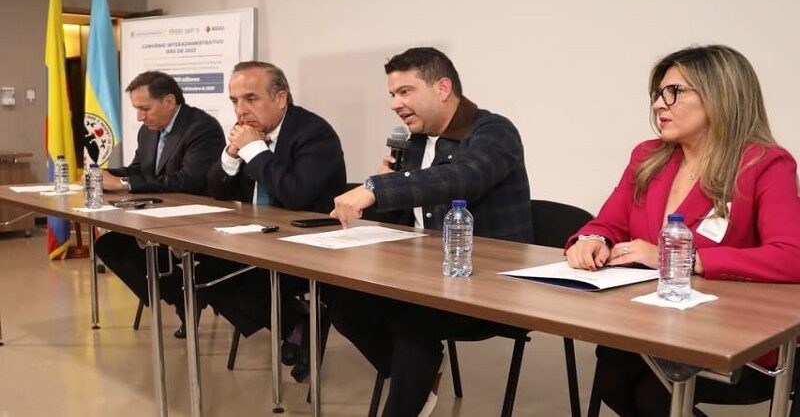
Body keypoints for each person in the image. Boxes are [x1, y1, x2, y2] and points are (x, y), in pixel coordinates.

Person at [565, 45, 800, 417]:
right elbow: (607, 223)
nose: (660, 104)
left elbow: (792, 255)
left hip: (735, 334)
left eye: (674, 92)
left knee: (654, 396)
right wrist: (591, 240)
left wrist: (686, 259)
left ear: (720, 95)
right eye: (658, 94)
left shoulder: (764, 164)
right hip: (651, 321)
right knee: (614, 377)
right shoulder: (648, 157)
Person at [327, 47, 532, 416]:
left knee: (413, 323)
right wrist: (387, 188)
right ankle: (418, 379)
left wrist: (376, 188)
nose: (395, 104)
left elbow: (463, 178)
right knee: (344, 303)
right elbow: (410, 217)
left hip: (486, 281)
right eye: (392, 94)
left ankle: (410, 393)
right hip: (422, 276)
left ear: (442, 88)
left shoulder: (494, 131)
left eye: (405, 91)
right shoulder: (413, 142)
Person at [192, 61, 346, 382]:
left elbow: (296, 195)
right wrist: (232, 154)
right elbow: (216, 191)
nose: (241, 110)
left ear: (280, 98)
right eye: (235, 101)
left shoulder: (315, 134)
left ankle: (298, 327)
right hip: (257, 240)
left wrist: (255, 150)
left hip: (307, 246)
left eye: (251, 98)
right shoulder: (249, 135)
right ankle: (298, 326)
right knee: (203, 276)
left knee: (250, 291)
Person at [95, 71, 225, 338]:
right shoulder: (148, 131)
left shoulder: (202, 128)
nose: (139, 117)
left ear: (169, 101)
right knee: (110, 245)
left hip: (197, 223)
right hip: (158, 218)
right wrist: (103, 174)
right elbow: (138, 170)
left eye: (145, 108)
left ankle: (187, 296)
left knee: (137, 250)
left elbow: (188, 181)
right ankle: (182, 298)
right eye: (137, 109)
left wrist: (123, 184)